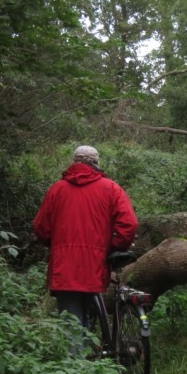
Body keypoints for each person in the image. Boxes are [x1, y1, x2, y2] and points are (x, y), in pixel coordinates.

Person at [34, 145, 138, 353]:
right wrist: (115, 247)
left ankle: (77, 372)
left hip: (65, 266)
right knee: (90, 309)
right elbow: (130, 224)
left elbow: (40, 227)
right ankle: (93, 365)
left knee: (71, 322)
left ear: (74, 162)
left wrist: (56, 246)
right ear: (96, 164)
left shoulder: (57, 189)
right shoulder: (111, 188)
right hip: (95, 263)